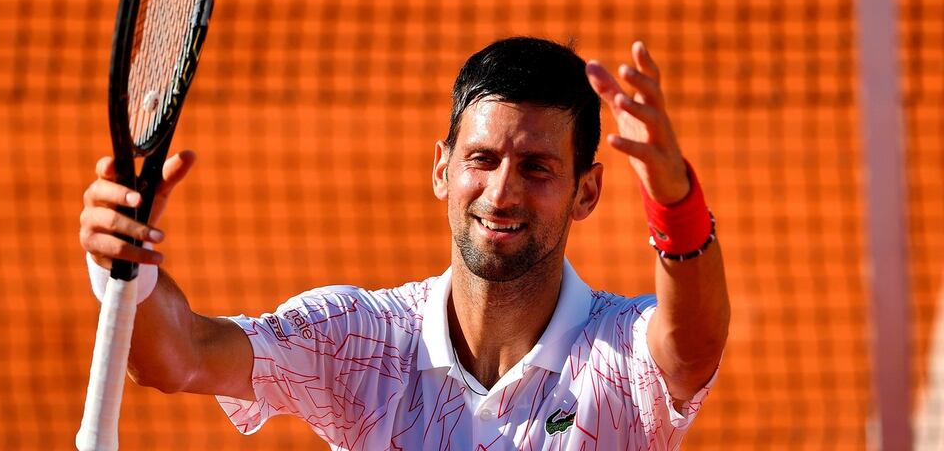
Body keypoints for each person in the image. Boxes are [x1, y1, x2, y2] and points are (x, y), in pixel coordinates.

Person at [80, 37, 730, 449]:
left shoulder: (614, 354)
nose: (501, 193)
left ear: (587, 192)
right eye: (481, 159)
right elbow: (177, 357)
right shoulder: (359, 341)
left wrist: (675, 204)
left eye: (537, 168)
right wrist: (126, 270)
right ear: (442, 169)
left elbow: (689, 349)